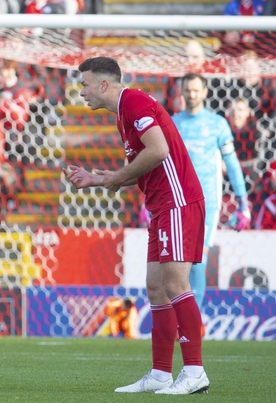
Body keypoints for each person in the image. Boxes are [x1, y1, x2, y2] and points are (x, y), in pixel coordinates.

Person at [65, 57, 209, 394]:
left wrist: (115, 176)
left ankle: (194, 372)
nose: (81, 92)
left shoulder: (134, 102)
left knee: (175, 285)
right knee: (156, 288)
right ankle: (160, 373)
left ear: (103, 84)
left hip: (177, 201)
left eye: (85, 84)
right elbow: (138, 169)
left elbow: (158, 150)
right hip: (161, 205)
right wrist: (98, 179)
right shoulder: (123, 114)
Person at [173, 74, 251, 310]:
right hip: (177, 202)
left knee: (197, 260)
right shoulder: (174, 123)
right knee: (177, 264)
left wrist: (243, 204)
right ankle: (182, 317)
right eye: (188, 90)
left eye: (196, 90)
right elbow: (161, 164)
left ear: (205, 92)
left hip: (207, 203)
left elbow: (233, 163)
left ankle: (192, 323)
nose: (192, 94)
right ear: (182, 92)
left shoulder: (217, 124)